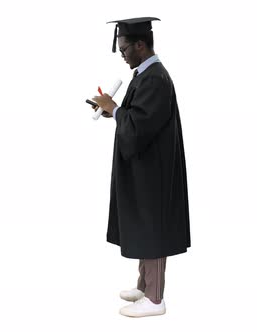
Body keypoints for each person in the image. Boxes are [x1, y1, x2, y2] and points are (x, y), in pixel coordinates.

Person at [91, 17, 191, 318]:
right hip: (145, 169)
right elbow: (137, 118)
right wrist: (115, 112)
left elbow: (139, 127)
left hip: (154, 172)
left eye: (124, 49)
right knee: (144, 226)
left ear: (140, 44)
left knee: (153, 229)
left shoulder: (155, 78)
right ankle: (145, 285)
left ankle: (155, 299)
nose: (122, 54)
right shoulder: (144, 75)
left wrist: (116, 109)